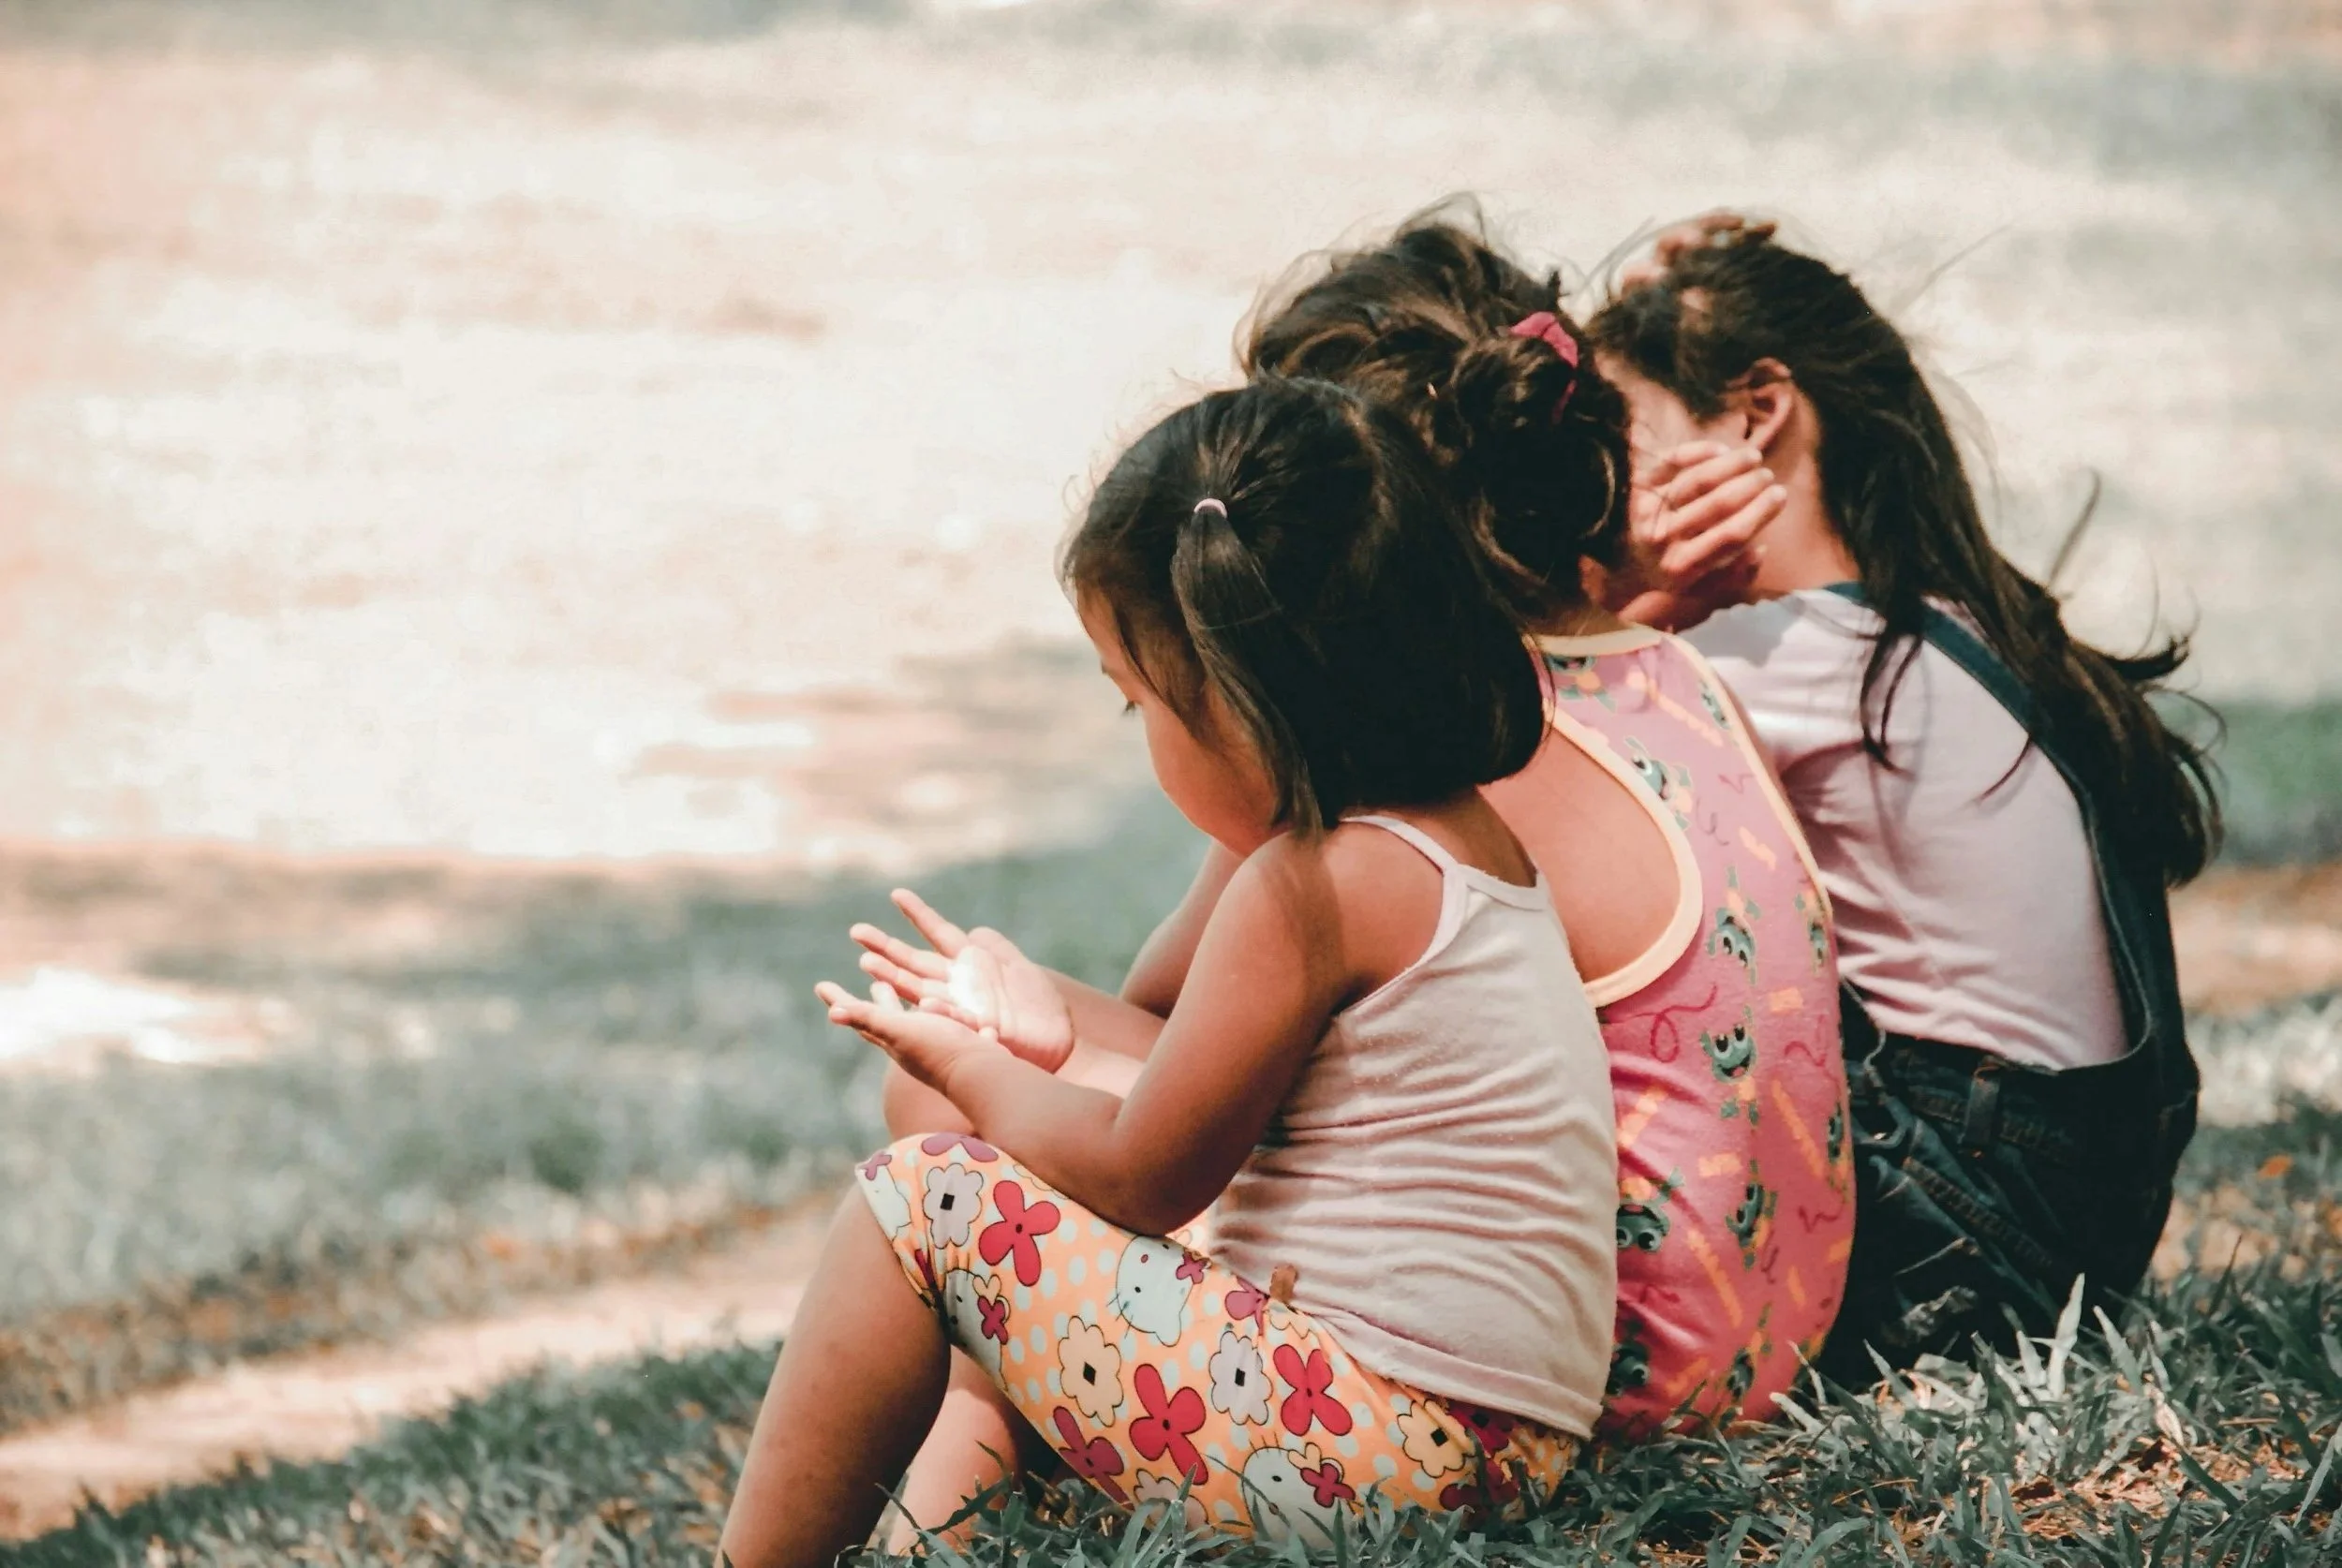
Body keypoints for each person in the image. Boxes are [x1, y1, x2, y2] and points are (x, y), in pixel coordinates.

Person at [716, 376, 1618, 1566]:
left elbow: (1143, 1174)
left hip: (1377, 1450)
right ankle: (928, 1546)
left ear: (1238, 700)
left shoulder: (1313, 884)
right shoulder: (1454, 843)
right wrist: (1038, 1034)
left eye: (1137, 699)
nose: (1139, 732)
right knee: (987, 1195)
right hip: (1487, 1448)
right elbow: (1205, 1092)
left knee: (922, 1197)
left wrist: (970, 1070)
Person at [1238, 214, 1854, 1437]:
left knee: (969, 1117)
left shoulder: (1455, 761)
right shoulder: (1683, 672)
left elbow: (1188, 1046)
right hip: (1766, 1346)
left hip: (1589, 1375)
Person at [1586, 215, 2220, 1381]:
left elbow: (1521, 772)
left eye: (1627, 435)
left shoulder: (1784, 658)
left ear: (1756, 412)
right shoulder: (1956, 623)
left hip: (1959, 1250)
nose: (1610, 488)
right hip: (2067, 1228)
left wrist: (1634, 605)